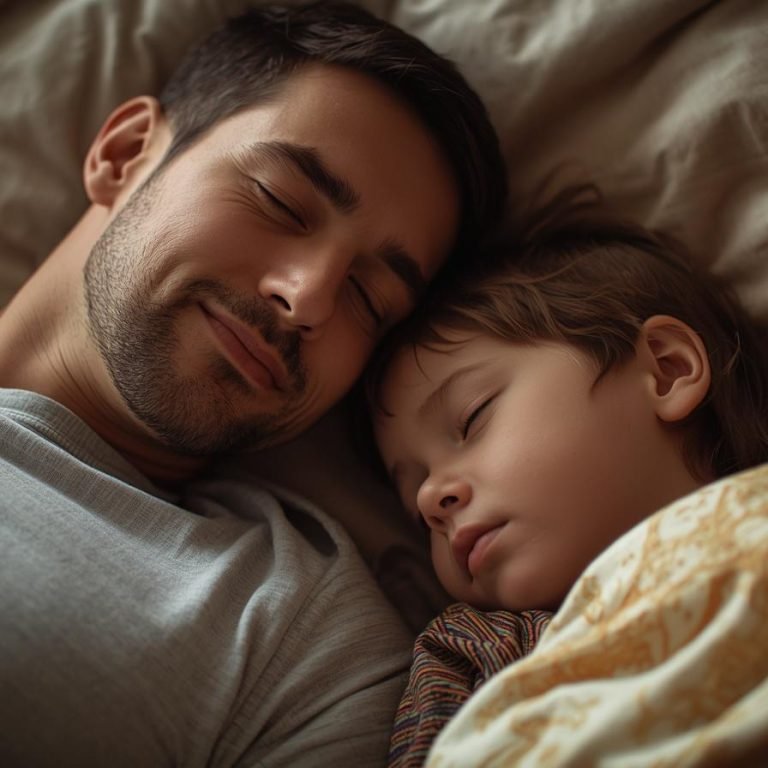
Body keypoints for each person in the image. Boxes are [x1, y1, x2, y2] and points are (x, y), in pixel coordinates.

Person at [0, 3, 507, 766]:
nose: (309, 299)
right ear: (127, 151)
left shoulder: (298, 643)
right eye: (279, 200)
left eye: (371, 301)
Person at [369, 202, 768, 766]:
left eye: (472, 418)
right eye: (414, 506)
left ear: (667, 368)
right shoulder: (477, 649)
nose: (432, 499)